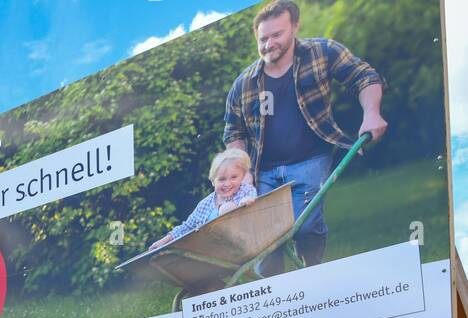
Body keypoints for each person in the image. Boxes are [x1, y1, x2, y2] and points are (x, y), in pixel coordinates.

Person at [223, 0, 386, 274]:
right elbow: (233, 131)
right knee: (267, 239)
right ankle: (275, 291)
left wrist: (371, 113)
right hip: (263, 169)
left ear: (295, 27)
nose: (269, 44)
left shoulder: (322, 52)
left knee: (306, 225)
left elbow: (364, 76)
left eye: (277, 35)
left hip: (311, 159)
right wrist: (242, 172)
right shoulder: (245, 83)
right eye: (263, 39)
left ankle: (312, 272)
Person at [149, 148, 257, 250]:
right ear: (213, 181)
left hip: (243, 242)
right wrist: (164, 240)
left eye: (234, 177)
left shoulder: (245, 191)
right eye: (222, 179)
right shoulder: (205, 204)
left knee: (227, 208)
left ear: (242, 177)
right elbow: (187, 226)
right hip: (213, 247)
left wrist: (246, 201)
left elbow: (252, 198)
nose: (227, 184)